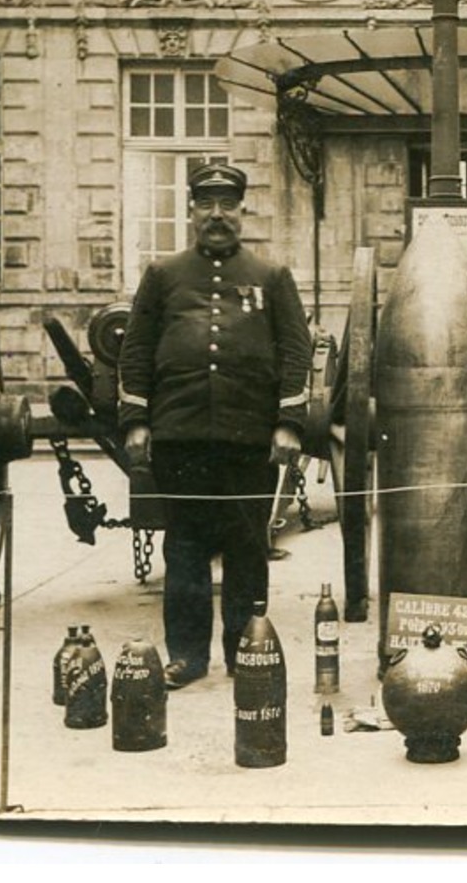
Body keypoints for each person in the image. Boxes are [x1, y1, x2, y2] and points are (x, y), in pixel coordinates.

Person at [118, 163, 312, 690]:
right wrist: (136, 418)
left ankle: (246, 649)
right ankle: (186, 655)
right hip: (180, 439)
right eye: (207, 205)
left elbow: (296, 353)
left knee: (248, 547)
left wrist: (289, 423)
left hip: (249, 441)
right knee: (184, 548)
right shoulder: (163, 276)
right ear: (191, 211)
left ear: (243, 211)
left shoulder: (272, 278)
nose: (217, 215)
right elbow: (135, 352)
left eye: (228, 204)